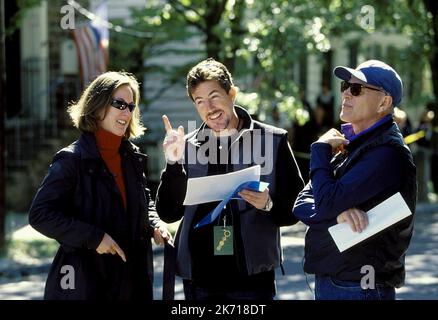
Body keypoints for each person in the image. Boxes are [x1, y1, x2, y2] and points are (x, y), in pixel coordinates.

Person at [155, 58, 304, 300]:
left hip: (252, 281)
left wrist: (268, 203)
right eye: (200, 101)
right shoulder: (186, 146)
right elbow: (169, 213)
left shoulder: (273, 140)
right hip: (200, 279)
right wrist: (173, 164)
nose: (209, 108)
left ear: (232, 93)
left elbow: (297, 208)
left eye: (214, 96)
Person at [29, 71, 171, 300]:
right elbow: (40, 214)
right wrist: (94, 237)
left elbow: (145, 201)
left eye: (131, 106)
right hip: (85, 283)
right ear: (97, 106)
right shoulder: (70, 160)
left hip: (132, 281)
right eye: (119, 104)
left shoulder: (132, 157)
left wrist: (154, 224)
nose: (126, 112)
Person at [293, 60, 417, 300]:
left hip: (358, 287)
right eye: (345, 86)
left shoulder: (386, 152)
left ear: (384, 102)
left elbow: (326, 200)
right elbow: (301, 203)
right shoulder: (354, 144)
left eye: (357, 89)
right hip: (338, 281)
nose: (346, 94)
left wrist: (319, 149)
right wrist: (338, 213)